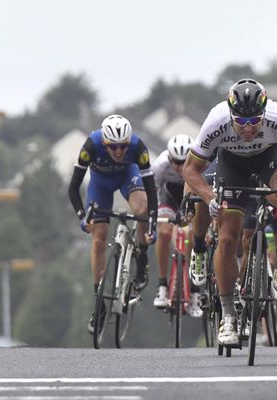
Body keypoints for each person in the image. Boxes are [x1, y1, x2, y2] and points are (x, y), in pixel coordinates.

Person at [183, 78, 277, 346]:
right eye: (241, 122)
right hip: (232, 164)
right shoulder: (216, 121)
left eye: (254, 121)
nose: (247, 128)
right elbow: (190, 170)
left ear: (264, 114)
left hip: (270, 156)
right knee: (228, 237)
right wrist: (209, 197)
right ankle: (229, 315)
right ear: (230, 115)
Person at [68, 114, 158, 334]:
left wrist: (152, 224)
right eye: (113, 147)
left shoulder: (138, 147)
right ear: (105, 143)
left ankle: (141, 255)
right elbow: (73, 188)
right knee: (98, 240)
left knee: (141, 209)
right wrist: (82, 216)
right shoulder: (90, 145)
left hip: (129, 176)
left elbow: (151, 190)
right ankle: (99, 301)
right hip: (100, 183)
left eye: (123, 146)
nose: (119, 151)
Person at [151, 134, 204, 317]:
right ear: (169, 158)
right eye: (176, 162)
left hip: (191, 197)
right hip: (169, 198)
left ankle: (196, 290)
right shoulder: (160, 166)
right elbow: (153, 193)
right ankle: (162, 285)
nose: (180, 167)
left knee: (194, 236)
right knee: (164, 233)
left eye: (184, 162)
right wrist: (154, 218)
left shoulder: (199, 163)